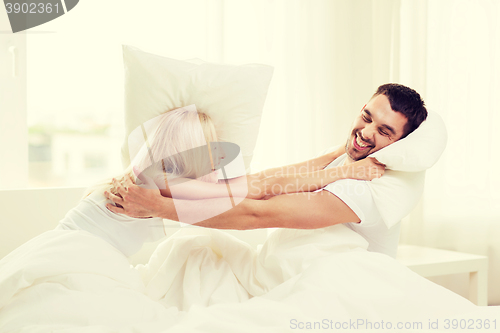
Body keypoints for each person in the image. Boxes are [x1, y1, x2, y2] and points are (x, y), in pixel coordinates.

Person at [106, 83, 428, 258]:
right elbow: (264, 183)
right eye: (366, 117)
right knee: (190, 255)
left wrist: (160, 207)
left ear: (400, 144)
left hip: (338, 290)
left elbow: (258, 213)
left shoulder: (363, 188)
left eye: (385, 132)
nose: (366, 132)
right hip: (285, 270)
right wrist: (156, 186)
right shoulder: (343, 161)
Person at [56, 106, 378, 257]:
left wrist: (337, 154)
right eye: (211, 145)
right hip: (73, 254)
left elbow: (263, 181)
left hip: (72, 247)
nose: (216, 154)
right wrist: (342, 171)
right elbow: (256, 190)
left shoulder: (150, 175)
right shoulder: (159, 181)